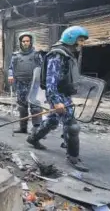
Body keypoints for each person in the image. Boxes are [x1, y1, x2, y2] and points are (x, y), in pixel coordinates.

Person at [27, 25, 89, 172]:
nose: (82, 43)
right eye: (80, 40)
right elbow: (50, 82)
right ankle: (73, 157)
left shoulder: (68, 53)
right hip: (57, 95)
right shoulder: (58, 54)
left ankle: (33, 138)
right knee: (72, 126)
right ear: (71, 39)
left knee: (53, 120)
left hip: (63, 94)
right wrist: (56, 101)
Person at [8, 32, 43, 134]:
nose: (25, 43)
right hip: (20, 84)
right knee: (22, 106)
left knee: (35, 107)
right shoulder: (16, 56)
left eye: (27, 41)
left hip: (33, 84)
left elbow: (42, 68)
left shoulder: (36, 54)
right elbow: (11, 68)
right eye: (23, 41)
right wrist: (10, 75)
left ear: (30, 42)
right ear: (20, 42)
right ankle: (23, 128)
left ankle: (38, 130)